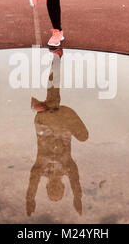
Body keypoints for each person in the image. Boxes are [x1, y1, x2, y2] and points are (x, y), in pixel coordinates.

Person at [26, 48, 89, 216]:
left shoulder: (41, 169)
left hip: (45, 124)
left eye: (51, 188)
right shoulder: (67, 169)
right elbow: (75, 181)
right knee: (84, 136)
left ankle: (46, 106)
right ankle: (45, 106)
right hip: (60, 124)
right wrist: (77, 198)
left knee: (54, 96)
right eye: (58, 188)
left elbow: (33, 181)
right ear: (62, 185)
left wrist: (30, 199)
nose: (54, 186)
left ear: (46, 185)